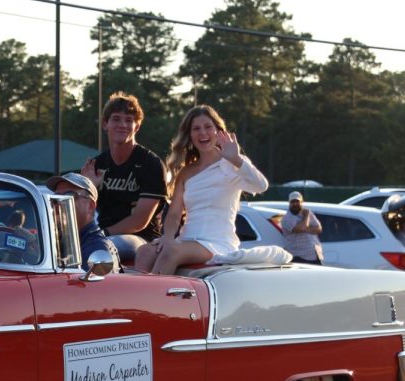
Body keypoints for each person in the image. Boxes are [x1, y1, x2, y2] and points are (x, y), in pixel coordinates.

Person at [135, 105, 267, 275]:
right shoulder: (186, 172)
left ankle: (153, 300)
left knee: (170, 253)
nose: (202, 133)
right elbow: (174, 214)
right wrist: (167, 239)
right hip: (187, 240)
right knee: (144, 251)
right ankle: (137, 300)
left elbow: (261, 185)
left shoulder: (233, 162)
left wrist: (236, 159)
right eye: (196, 129)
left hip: (217, 242)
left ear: (218, 131)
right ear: (189, 135)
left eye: (208, 127)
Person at [80, 92, 168, 263]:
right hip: (102, 234)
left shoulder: (151, 163)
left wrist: (101, 234)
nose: (122, 124)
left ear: (137, 127)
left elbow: (139, 221)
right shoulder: (97, 165)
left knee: (104, 247)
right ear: (105, 124)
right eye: (116, 119)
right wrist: (90, 189)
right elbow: (81, 214)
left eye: (129, 120)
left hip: (141, 240)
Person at [45, 172, 119, 271]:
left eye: (69, 196)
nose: (59, 202)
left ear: (90, 207)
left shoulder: (98, 251)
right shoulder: (58, 242)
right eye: (55, 198)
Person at [281, 191, 324, 265]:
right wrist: (306, 216)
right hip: (298, 256)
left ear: (302, 202)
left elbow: (319, 229)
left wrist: (306, 228)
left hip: (314, 255)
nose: (295, 204)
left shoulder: (309, 213)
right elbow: (300, 229)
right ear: (289, 203)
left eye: (297, 201)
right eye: (292, 202)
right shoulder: (287, 218)